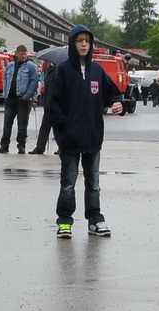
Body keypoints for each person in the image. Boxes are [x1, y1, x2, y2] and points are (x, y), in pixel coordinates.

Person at [45, 24, 123, 237]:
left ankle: (95, 219)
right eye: (79, 40)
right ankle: (64, 221)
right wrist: (64, 131)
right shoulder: (63, 70)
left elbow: (113, 95)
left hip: (93, 139)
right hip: (70, 140)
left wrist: (118, 104)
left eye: (87, 41)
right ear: (72, 43)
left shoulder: (97, 70)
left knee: (94, 184)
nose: (83, 44)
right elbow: (53, 106)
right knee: (68, 184)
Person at [0, 46, 39, 154]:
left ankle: (21, 145)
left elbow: (34, 82)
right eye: (21, 54)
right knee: (7, 123)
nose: (24, 56)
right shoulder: (10, 66)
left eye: (25, 54)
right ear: (17, 53)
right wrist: (5, 94)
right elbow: (6, 80)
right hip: (10, 98)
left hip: (23, 99)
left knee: (22, 125)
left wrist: (28, 96)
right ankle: (4, 145)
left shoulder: (31, 67)